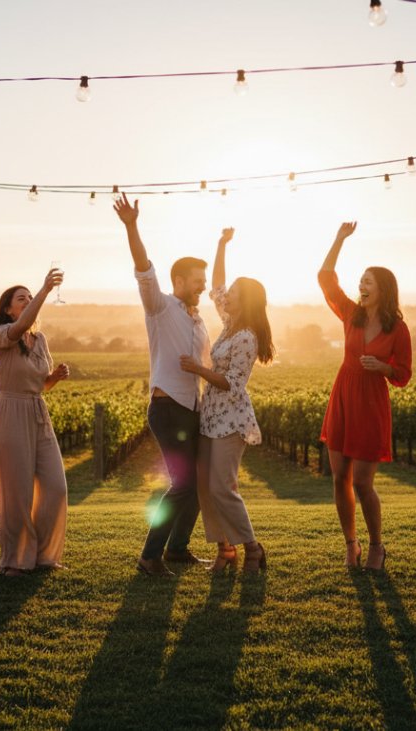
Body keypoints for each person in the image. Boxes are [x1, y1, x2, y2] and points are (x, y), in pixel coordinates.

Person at [114, 193, 212, 577]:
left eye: (204, 281)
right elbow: (144, 269)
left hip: (192, 409)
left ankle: (177, 549)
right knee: (183, 483)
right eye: (197, 281)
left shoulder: (198, 321)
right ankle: (149, 557)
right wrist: (132, 226)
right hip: (167, 407)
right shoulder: (160, 307)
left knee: (198, 483)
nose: (202, 287)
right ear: (179, 281)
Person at [178, 228, 273, 573]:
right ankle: (225, 550)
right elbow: (217, 283)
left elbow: (233, 384)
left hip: (231, 420)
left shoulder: (246, 336)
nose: (224, 295)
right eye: (228, 292)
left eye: (233, 293)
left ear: (244, 301)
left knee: (222, 487)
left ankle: (253, 548)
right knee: (206, 488)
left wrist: (199, 369)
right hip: (210, 417)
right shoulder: (230, 323)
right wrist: (221, 245)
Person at [318, 222, 412, 571]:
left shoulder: (398, 329)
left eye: (368, 282)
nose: (361, 286)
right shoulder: (350, 314)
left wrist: (383, 368)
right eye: (360, 281)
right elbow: (326, 278)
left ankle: (376, 545)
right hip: (343, 396)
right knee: (339, 477)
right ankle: (350, 544)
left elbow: (404, 374)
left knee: (362, 482)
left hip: (371, 403)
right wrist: (338, 239)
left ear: (383, 290)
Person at [0, 269, 71, 577]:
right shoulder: (3, 334)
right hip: (11, 413)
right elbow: (22, 325)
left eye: (30, 297)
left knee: (56, 487)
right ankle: (16, 560)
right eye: (21, 298)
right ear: (8, 309)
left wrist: (54, 378)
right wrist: (45, 290)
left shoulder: (40, 339)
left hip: (38, 412)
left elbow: (39, 385)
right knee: (17, 494)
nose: (28, 300)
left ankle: (45, 555)